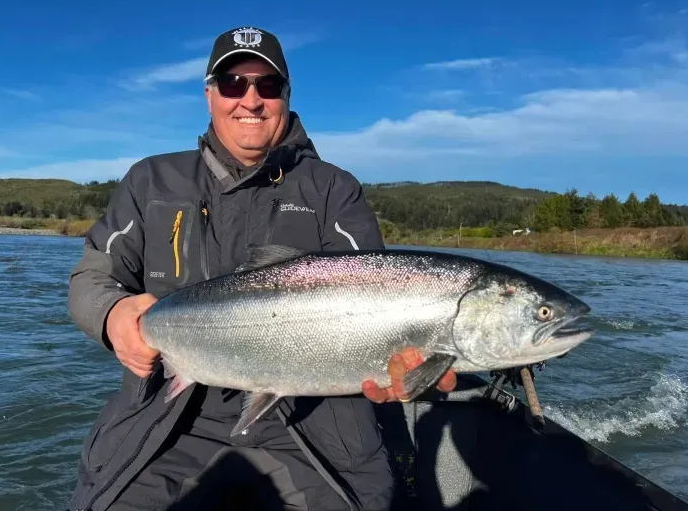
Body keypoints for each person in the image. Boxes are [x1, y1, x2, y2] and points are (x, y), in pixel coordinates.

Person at [66, 26, 457, 511]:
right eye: (233, 84)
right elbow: (92, 278)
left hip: (318, 426)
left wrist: (398, 363)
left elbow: (372, 295)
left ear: (286, 98)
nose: (250, 100)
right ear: (210, 96)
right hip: (169, 415)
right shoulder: (151, 180)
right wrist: (113, 316)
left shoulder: (334, 190)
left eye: (266, 86)